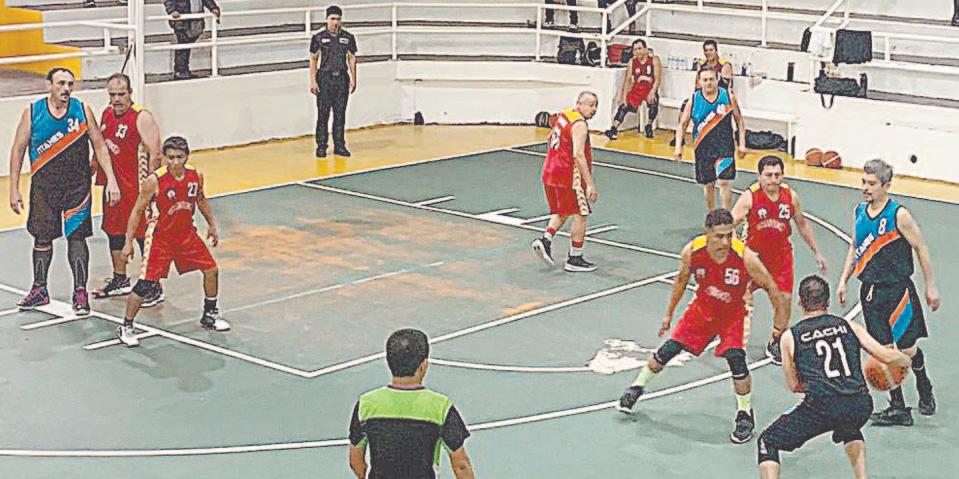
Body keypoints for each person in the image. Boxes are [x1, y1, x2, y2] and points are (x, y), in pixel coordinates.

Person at [618, 208, 786, 444]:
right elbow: (680, 281)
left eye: (730, 235)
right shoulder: (692, 252)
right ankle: (636, 387)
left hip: (732, 315)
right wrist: (668, 315)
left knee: (736, 360)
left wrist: (779, 326)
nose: (725, 242)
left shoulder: (745, 257)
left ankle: (744, 414)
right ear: (707, 233)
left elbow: (771, 287)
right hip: (702, 310)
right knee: (667, 351)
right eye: (719, 236)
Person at [758, 275, 912, 479]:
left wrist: (819, 383)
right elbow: (885, 355)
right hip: (860, 404)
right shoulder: (848, 325)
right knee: (849, 426)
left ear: (800, 302)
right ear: (828, 301)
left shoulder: (790, 337)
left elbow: (794, 385)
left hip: (822, 406)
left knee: (767, 441)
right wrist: (905, 360)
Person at [8, 67, 121, 316]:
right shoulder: (33, 112)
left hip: (77, 187)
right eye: (60, 83)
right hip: (44, 187)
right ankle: (39, 289)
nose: (66, 89)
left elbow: (100, 146)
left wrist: (111, 180)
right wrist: (13, 189)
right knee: (42, 237)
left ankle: (80, 293)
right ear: (49, 85)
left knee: (77, 237)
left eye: (70, 84)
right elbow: (18, 150)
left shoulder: (82, 110)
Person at [837, 158, 940, 426]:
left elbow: (921, 247)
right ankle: (898, 407)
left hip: (898, 292)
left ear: (886, 185)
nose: (865, 187)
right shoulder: (860, 211)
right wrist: (843, 280)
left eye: (871, 183)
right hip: (871, 293)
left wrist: (930, 285)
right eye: (863, 182)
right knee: (882, 351)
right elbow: (855, 246)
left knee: (907, 349)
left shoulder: (898, 215)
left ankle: (924, 385)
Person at [116, 136, 228, 347]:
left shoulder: (195, 176)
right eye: (171, 157)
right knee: (145, 284)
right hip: (161, 239)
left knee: (211, 270)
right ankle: (127, 325)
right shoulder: (154, 181)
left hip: (187, 235)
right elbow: (137, 211)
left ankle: (210, 314)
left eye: (179, 157)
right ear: (164, 158)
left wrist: (212, 225)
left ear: (187, 156)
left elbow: (201, 200)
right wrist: (128, 242)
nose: (175, 162)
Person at [731, 155, 828, 365]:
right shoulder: (749, 197)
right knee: (739, 298)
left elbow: (802, 224)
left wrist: (817, 252)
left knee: (784, 302)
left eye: (777, 175)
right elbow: (729, 224)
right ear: (759, 176)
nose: (773, 180)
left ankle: (775, 341)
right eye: (768, 175)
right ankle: (732, 336)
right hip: (753, 259)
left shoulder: (790, 197)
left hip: (781, 259)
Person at [348, 328, 475, 479]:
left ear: (388, 361)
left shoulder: (366, 404)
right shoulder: (440, 407)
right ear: (423, 365)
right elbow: (461, 464)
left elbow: (355, 461)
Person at [92, 73, 165, 307]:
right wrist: (93, 166)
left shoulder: (141, 117)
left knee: (143, 235)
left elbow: (156, 153)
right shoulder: (106, 114)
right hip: (113, 187)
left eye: (121, 94)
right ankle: (120, 278)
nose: (116, 99)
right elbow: (101, 144)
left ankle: (153, 284)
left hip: (136, 188)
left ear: (130, 93)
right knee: (113, 231)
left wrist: (153, 188)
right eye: (112, 94)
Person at [531, 91, 599, 273]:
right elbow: (578, 154)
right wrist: (589, 183)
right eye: (590, 105)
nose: (594, 109)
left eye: (596, 105)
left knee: (564, 210)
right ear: (580, 104)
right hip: (568, 175)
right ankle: (575, 258)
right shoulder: (579, 125)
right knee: (581, 213)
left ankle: (546, 240)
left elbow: (550, 138)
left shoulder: (564, 115)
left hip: (550, 171)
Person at [674, 68, 746, 212]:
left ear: (717, 79)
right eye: (705, 80)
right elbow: (682, 124)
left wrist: (742, 144)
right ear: (699, 82)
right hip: (703, 147)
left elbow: (739, 121)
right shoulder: (694, 99)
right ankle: (711, 214)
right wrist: (678, 147)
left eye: (711, 79)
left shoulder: (728, 97)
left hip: (724, 146)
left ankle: (725, 216)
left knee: (724, 181)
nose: (708, 83)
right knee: (709, 184)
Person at [310, 5, 357, 158]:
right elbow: (313, 59)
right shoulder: (318, 37)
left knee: (340, 114)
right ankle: (321, 146)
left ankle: (339, 145)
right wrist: (313, 81)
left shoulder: (348, 37)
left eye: (338, 19)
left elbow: (352, 58)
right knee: (323, 114)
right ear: (327, 19)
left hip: (341, 78)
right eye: (332, 19)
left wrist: (353, 78)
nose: (335, 22)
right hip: (324, 79)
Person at [604, 39, 661, 140]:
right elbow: (627, 80)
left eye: (639, 48)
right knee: (623, 106)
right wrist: (624, 97)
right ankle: (613, 129)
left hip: (649, 88)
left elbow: (657, 79)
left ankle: (648, 125)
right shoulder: (632, 62)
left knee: (653, 102)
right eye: (635, 50)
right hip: (637, 89)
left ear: (645, 49)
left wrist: (652, 91)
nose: (637, 52)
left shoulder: (654, 60)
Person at [163, 0, 221, 80]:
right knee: (183, 44)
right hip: (181, 20)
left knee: (187, 44)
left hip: (195, 20)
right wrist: (172, 10)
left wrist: (213, 8)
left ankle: (183, 70)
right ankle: (180, 71)